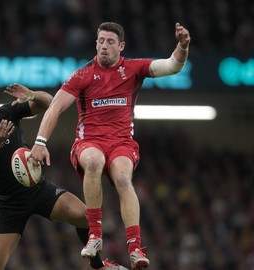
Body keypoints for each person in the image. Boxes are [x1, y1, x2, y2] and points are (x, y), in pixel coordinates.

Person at [29, 22, 191, 270]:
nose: (104, 46)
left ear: (121, 46)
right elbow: (55, 107)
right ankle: (95, 236)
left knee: (124, 181)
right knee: (94, 162)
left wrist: (183, 46)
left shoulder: (134, 68)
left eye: (110, 42)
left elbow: (172, 65)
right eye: (100, 41)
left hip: (122, 144)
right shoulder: (82, 75)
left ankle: (135, 248)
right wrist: (40, 142)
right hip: (88, 142)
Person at [0, 84, 128, 270]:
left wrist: (32, 95)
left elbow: (50, 103)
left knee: (85, 216)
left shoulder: (5, 113)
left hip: (38, 188)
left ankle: (98, 267)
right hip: (9, 203)